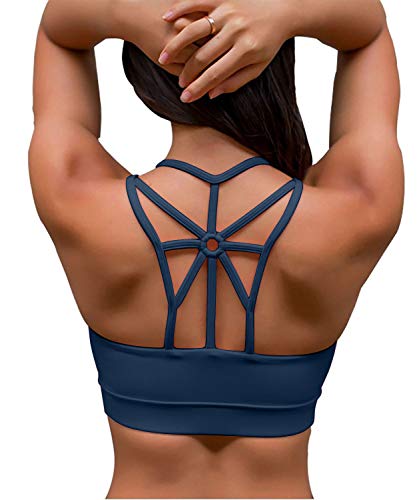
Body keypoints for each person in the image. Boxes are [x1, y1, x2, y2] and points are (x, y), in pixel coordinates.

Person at [29, 0, 403, 498]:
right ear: (278, 64)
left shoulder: (80, 200)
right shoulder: (356, 207)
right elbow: (370, 28)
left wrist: (129, 16)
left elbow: (58, 29)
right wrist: (285, 13)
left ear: (145, 74)